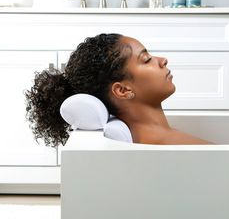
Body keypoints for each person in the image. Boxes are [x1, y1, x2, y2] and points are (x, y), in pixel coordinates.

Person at [25, 33, 213, 146]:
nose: (162, 60)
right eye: (146, 59)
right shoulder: (166, 144)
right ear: (123, 90)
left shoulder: (160, 138)